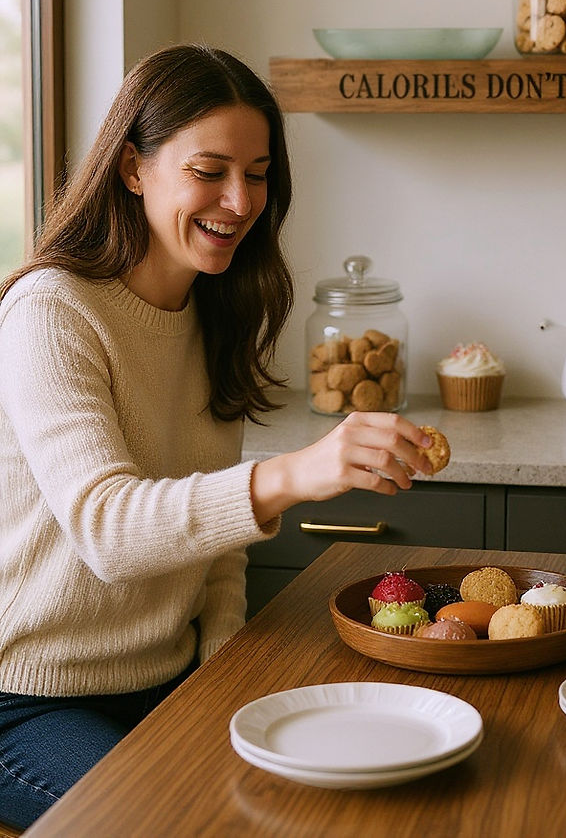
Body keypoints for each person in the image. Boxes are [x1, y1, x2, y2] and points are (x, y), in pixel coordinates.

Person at [0, 44, 436, 828]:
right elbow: (109, 528)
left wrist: (223, 671)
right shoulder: (52, 311)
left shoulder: (218, 313)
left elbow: (217, 546)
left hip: (162, 677)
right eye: (210, 170)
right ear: (134, 168)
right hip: (27, 701)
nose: (240, 200)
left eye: (259, 173)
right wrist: (296, 474)